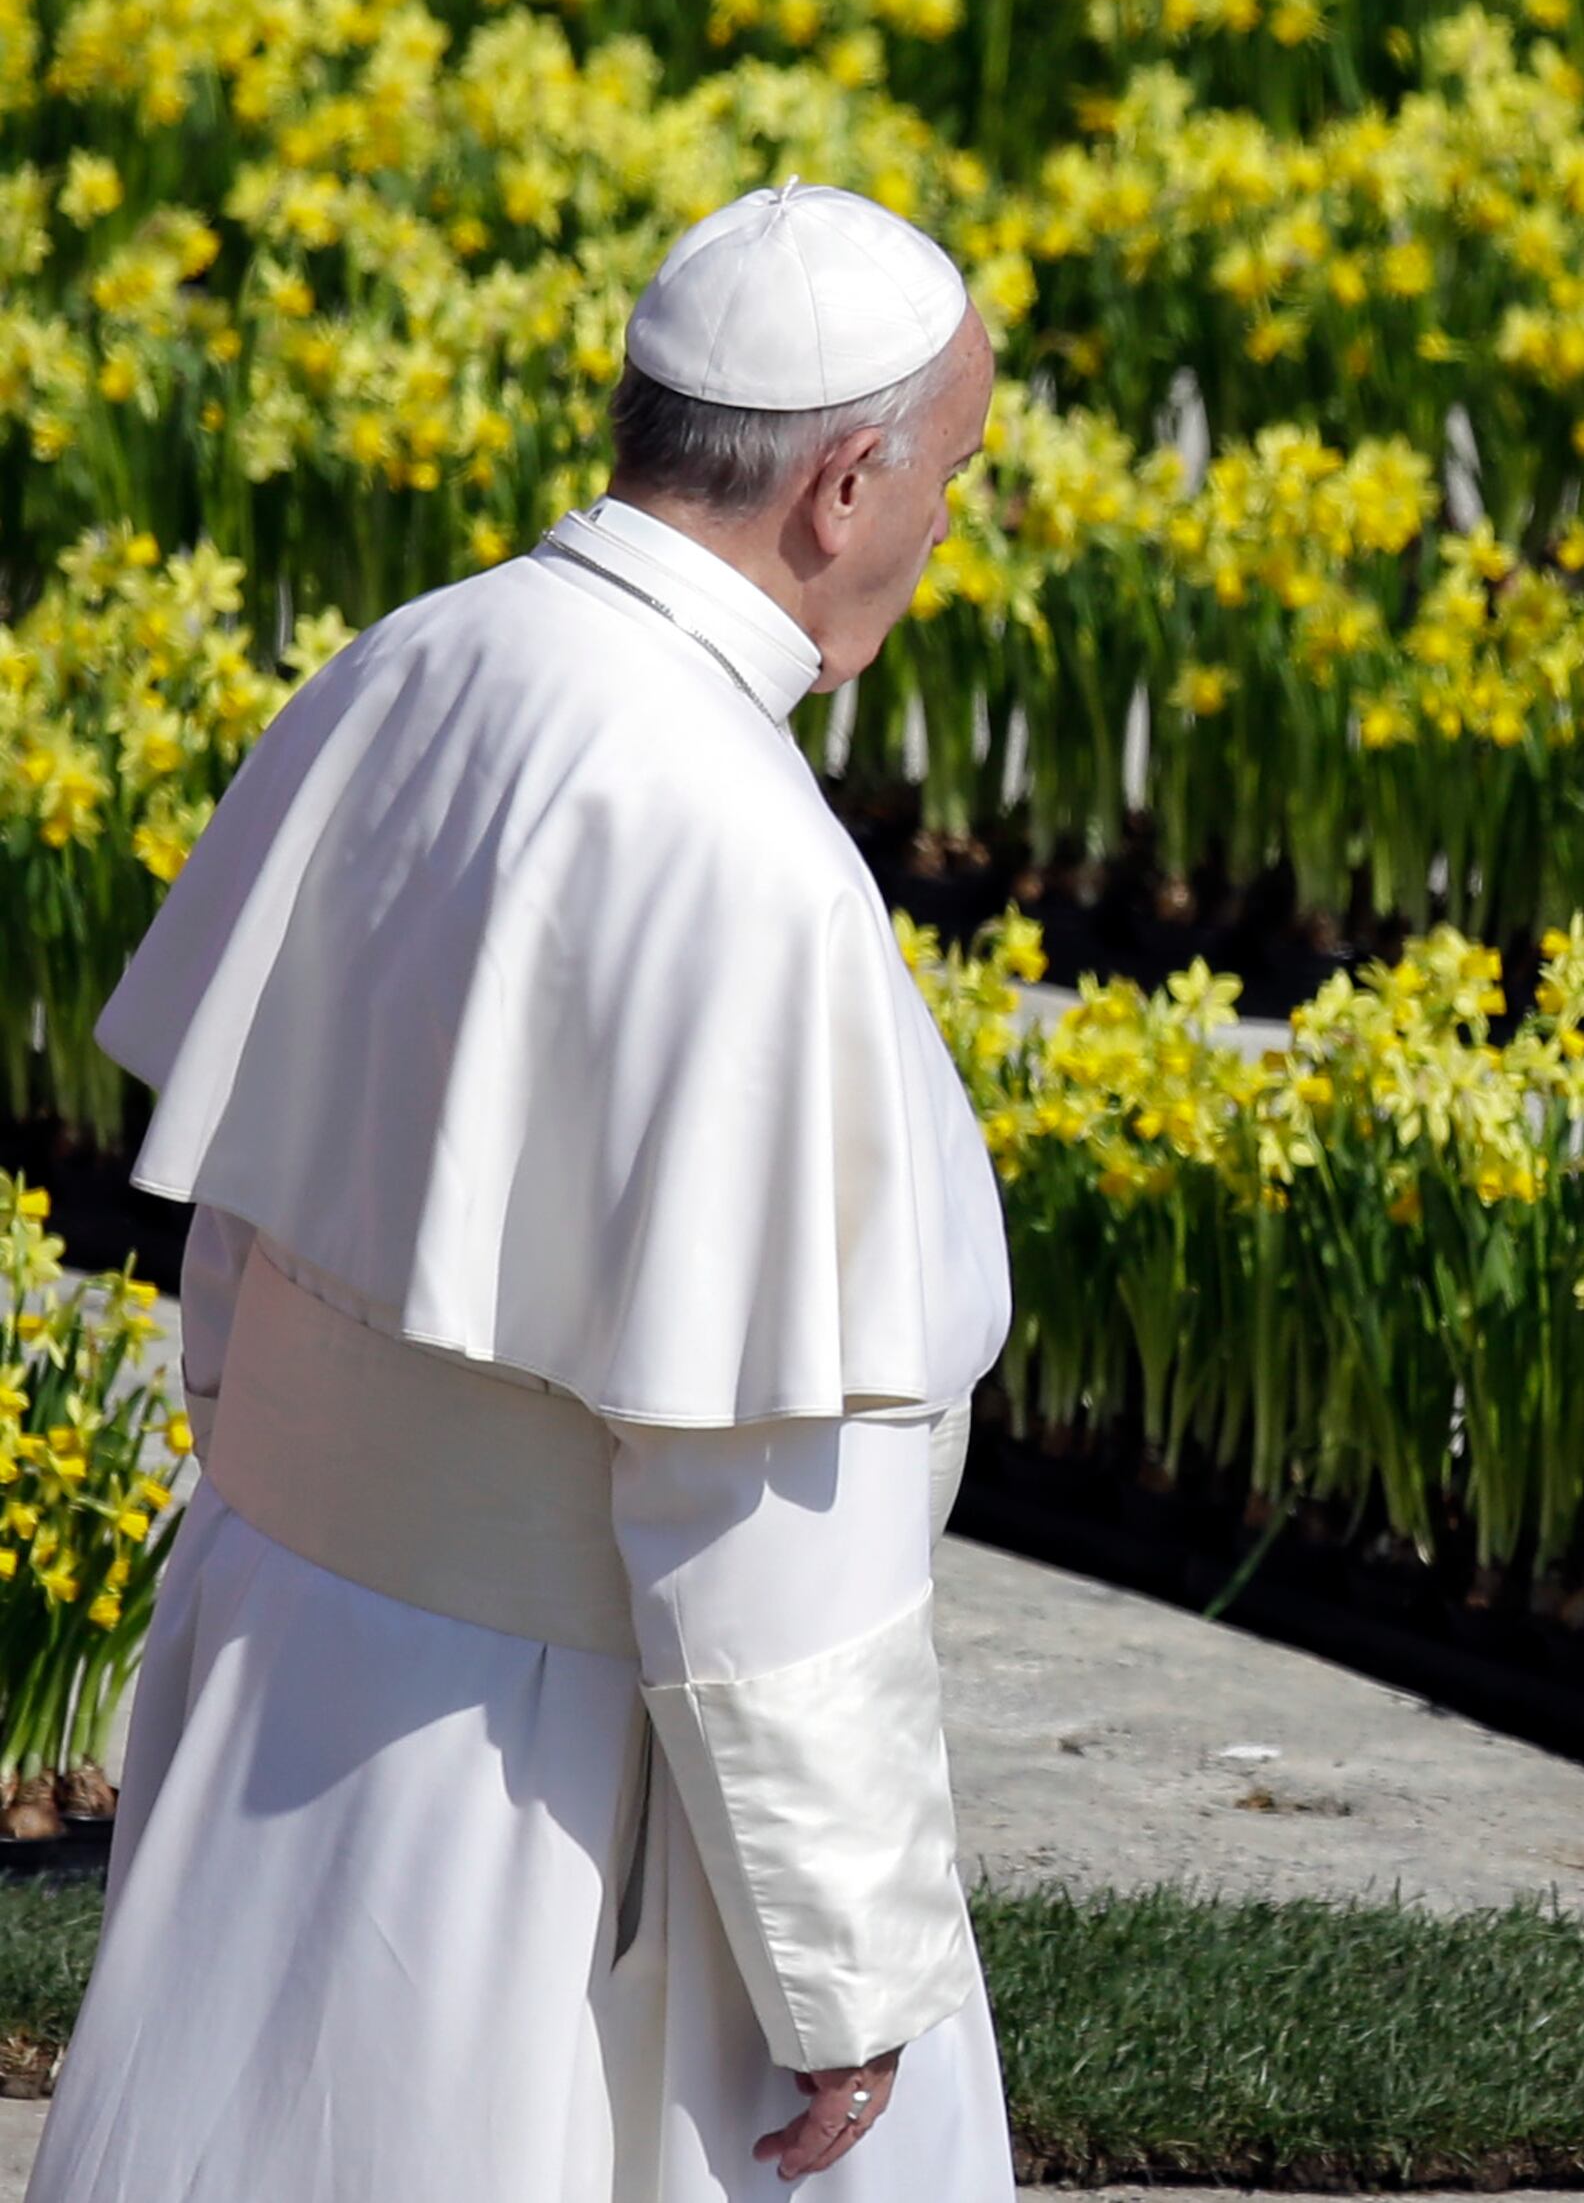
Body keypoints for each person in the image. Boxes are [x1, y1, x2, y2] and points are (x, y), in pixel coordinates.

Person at [30, 183, 1020, 2200]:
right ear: (842, 484)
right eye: (955, 480)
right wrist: (844, 1973)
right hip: (557, 1780)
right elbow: (759, 1497)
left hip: (288, 1670)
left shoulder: (413, 664)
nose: (945, 531)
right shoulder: (744, 855)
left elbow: (242, 1253)